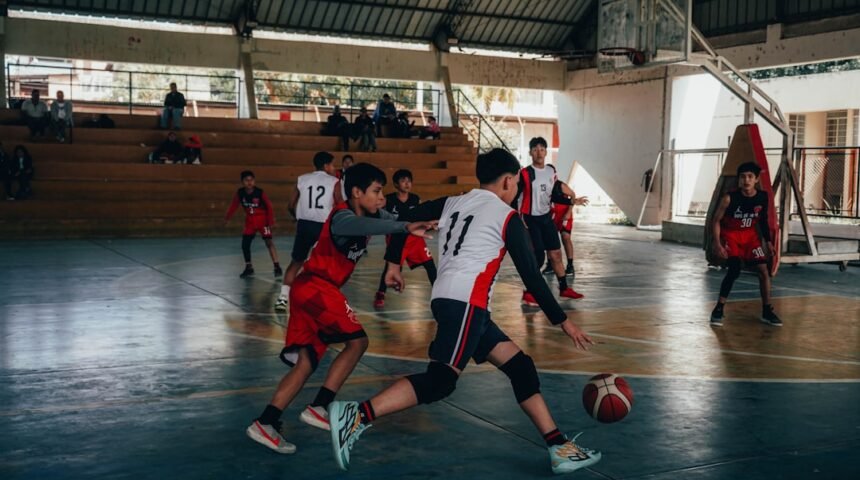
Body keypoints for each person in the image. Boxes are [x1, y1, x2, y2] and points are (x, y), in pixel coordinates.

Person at [327, 149, 600, 475]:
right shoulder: (507, 217)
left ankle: (559, 447)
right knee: (440, 382)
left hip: (457, 303)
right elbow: (532, 276)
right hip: (465, 304)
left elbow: (407, 220)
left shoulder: (453, 201)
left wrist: (393, 263)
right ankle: (356, 416)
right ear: (509, 181)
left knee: (521, 368)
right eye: (516, 186)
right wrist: (563, 321)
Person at [246, 162, 436, 454]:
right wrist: (403, 225)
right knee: (358, 342)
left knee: (307, 362)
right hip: (315, 287)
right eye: (375, 191)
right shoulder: (343, 218)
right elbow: (378, 225)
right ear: (357, 192)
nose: (380, 196)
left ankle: (266, 422)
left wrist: (432, 219)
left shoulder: (370, 212)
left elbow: (398, 219)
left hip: (311, 291)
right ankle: (320, 405)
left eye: (382, 191)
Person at [710, 161, 782, 327]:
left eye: (750, 176)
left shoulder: (762, 197)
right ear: (738, 180)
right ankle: (719, 308)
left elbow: (763, 221)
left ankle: (766, 310)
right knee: (734, 269)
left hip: (750, 237)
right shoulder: (729, 198)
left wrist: (769, 242)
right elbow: (716, 220)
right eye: (742, 177)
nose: (746, 180)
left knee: (764, 270)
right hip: (731, 235)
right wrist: (717, 243)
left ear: (756, 179)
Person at [515, 137, 583, 304]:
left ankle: (564, 289)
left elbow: (554, 193)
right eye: (535, 149)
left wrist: (571, 201)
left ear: (546, 152)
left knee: (556, 254)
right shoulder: (524, 173)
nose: (539, 152)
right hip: (530, 219)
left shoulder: (551, 171)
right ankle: (529, 292)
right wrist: (517, 217)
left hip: (546, 217)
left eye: (542, 149)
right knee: (537, 257)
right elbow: (515, 196)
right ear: (530, 152)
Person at [274, 152, 343, 311]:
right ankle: (323, 298)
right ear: (326, 166)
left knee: (296, 262)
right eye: (332, 165)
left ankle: (283, 298)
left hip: (304, 225)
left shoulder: (302, 179)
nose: (334, 168)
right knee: (327, 264)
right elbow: (340, 205)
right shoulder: (334, 182)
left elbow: (291, 205)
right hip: (323, 227)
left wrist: (298, 218)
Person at [374, 169, 436, 309]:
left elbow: (422, 216)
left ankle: (439, 294)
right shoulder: (388, 200)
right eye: (403, 181)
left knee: (430, 266)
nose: (407, 184)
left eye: (409, 181)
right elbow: (376, 210)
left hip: (415, 239)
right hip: (397, 238)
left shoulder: (415, 199)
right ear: (396, 184)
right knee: (392, 267)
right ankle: (380, 293)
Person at [224, 170, 282, 279]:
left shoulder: (260, 192)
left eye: (251, 180)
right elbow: (234, 205)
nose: (249, 183)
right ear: (242, 182)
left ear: (254, 181)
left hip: (263, 221)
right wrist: (227, 218)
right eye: (246, 180)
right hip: (250, 222)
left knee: (269, 242)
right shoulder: (240, 193)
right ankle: (248, 267)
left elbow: (269, 206)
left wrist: (270, 222)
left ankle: (277, 266)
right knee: (245, 244)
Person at [542, 183, 589, 277]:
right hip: (552, 214)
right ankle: (550, 264)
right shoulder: (543, 184)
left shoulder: (561, 185)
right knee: (549, 239)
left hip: (564, 214)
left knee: (565, 237)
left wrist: (568, 212)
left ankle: (570, 265)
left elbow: (572, 195)